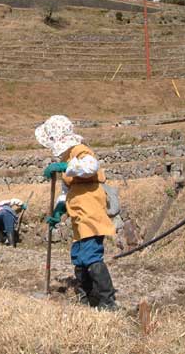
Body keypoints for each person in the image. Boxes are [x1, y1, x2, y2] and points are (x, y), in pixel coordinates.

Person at [36, 115, 118, 311]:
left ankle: (108, 301)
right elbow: (67, 192)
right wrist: (58, 212)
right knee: (79, 256)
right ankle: (87, 297)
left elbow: (91, 166)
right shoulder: (68, 157)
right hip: (79, 215)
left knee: (91, 255)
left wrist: (65, 167)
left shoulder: (80, 151)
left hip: (91, 212)